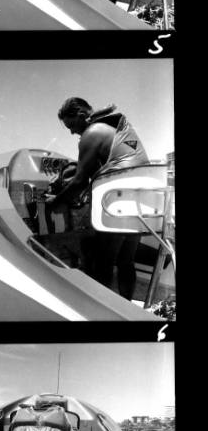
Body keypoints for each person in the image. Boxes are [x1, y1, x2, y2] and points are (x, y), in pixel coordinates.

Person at [45, 97, 150, 300]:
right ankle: (126, 308)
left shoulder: (91, 134)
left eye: (72, 125)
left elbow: (79, 182)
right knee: (126, 262)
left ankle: (99, 316)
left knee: (101, 262)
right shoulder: (115, 130)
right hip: (142, 201)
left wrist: (55, 202)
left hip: (118, 201)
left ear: (83, 116)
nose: (72, 132)